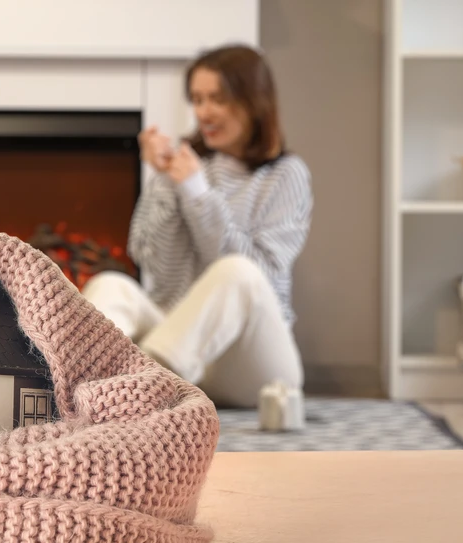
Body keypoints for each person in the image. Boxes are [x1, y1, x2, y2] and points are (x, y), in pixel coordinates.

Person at [82, 44, 313, 408]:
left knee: (237, 271)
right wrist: (165, 180)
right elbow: (156, 264)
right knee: (112, 285)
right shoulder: (187, 167)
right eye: (197, 99)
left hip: (252, 364)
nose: (204, 112)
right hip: (177, 345)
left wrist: (198, 194)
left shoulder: (286, 175)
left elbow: (260, 278)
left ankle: (145, 391)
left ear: (255, 102)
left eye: (218, 99)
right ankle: (73, 388)